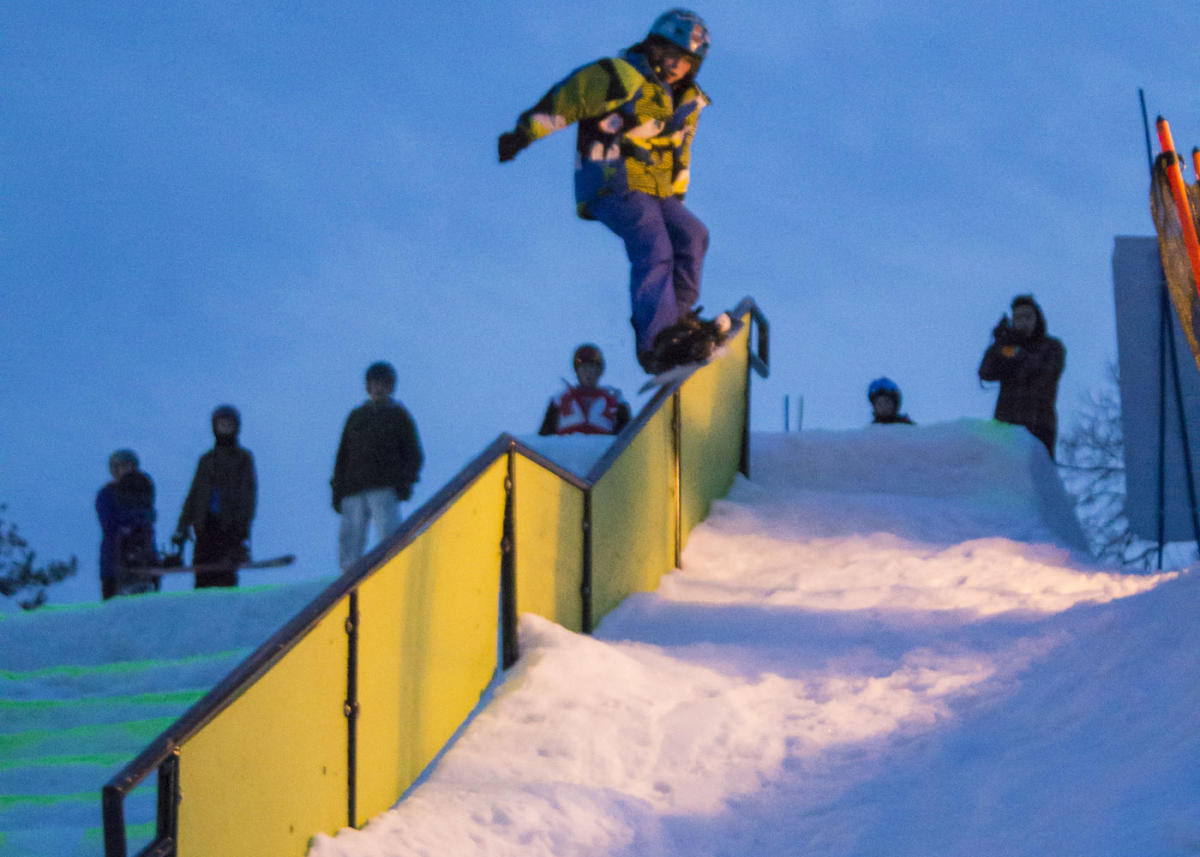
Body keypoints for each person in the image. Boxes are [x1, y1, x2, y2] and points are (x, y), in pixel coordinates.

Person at [497, 9, 728, 375]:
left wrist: (677, 203)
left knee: (692, 235)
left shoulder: (686, 104)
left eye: (684, 62)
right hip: (610, 176)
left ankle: (677, 322)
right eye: (669, 55)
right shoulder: (622, 76)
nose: (674, 66)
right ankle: (655, 338)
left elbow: (679, 156)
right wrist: (524, 133)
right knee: (653, 242)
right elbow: (570, 97)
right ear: (653, 48)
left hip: (655, 188)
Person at [331, 362, 423, 572]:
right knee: (351, 537)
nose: (379, 388)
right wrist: (337, 489)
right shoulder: (356, 417)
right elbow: (342, 455)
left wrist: (404, 482)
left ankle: (391, 569)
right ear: (368, 387)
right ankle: (348, 579)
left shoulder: (398, 416)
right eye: (375, 384)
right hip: (353, 487)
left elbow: (413, 454)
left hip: (384, 485)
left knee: (388, 533)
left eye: (384, 384)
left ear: (391, 387)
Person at [173, 405, 257, 588]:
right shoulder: (206, 460)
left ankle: (225, 609)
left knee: (225, 574)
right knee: (203, 572)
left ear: (236, 427)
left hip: (229, 526)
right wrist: (182, 524)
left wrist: (242, 528)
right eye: (221, 424)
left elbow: (247, 495)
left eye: (229, 424)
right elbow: (194, 493)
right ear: (214, 427)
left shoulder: (243, 458)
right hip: (204, 525)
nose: (225, 428)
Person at [978, 294, 1065, 457]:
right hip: (1006, 428)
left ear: (1037, 319)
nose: (1023, 322)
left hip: (1038, 426)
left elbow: (1044, 373)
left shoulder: (1052, 347)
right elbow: (986, 372)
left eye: (1027, 316)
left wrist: (1012, 352)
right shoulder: (1007, 347)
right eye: (1018, 317)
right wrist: (999, 344)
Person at [95, 449, 159, 600]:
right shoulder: (107, 494)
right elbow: (109, 524)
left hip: (144, 556)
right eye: (121, 466)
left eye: (128, 466)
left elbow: (149, 517)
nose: (125, 470)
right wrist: (135, 519)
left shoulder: (143, 488)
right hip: (115, 559)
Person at [539, 344, 633, 436]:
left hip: (604, 451)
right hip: (566, 451)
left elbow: (629, 437)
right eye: (584, 368)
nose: (588, 373)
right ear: (577, 372)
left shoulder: (615, 401)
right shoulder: (559, 400)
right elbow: (544, 439)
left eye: (592, 368)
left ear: (599, 372)